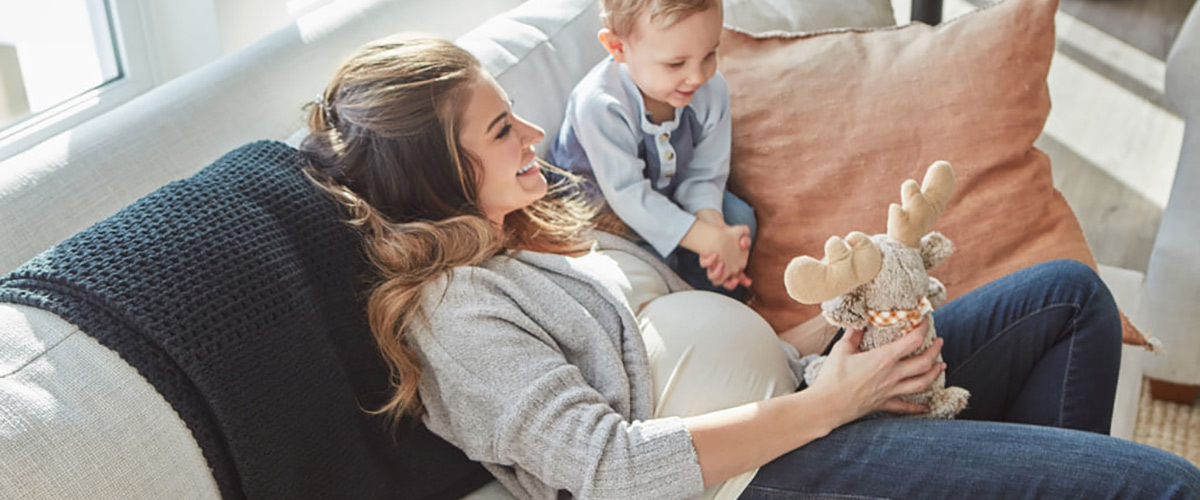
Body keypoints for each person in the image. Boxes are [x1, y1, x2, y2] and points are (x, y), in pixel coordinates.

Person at [299, 35, 1200, 500]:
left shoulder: (532, 234)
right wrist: (831, 404)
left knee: (1068, 297)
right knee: (1164, 484)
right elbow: (609, 467)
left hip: (803, 409)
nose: (534, 135)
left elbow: (693, 355)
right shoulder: (456, 314)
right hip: (754, 481)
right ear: (435, 173)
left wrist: (837, 336)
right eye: (502, 131)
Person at [548, 0, 754, 297]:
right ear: (618, 48)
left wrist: (713, 226)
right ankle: (684, 298)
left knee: (740, 220)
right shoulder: (600, 105)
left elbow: (705, 173)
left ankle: (710, 286)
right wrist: (704, 239)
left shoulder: (711, 92)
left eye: (710, 54)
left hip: (664, 194)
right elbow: (628, 195)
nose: (698, 76)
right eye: (675, 64)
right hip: (600, 217)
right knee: (645, 267)